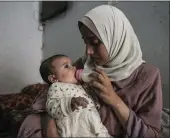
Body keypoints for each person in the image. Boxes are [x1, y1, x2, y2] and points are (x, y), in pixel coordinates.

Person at [18, 5, 163, 138]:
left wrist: (114, 99)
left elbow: (152, 134)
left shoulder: (147, 76)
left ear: (115, 38)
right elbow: (51, 95)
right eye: (85, 42)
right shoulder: (85, 63)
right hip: (71, 129)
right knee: (30, 123)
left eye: (94, 42)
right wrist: (51, 132)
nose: (88, 51)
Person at [40, 54, 111, 137]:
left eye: (72, 65)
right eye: (66, 66)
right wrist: (69, 103)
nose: (74, 68)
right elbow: (51, 107)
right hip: (75, 128)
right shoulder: (56, 87)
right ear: (54, 78)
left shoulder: (81, 85)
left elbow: (90, 99)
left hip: (95, 124)